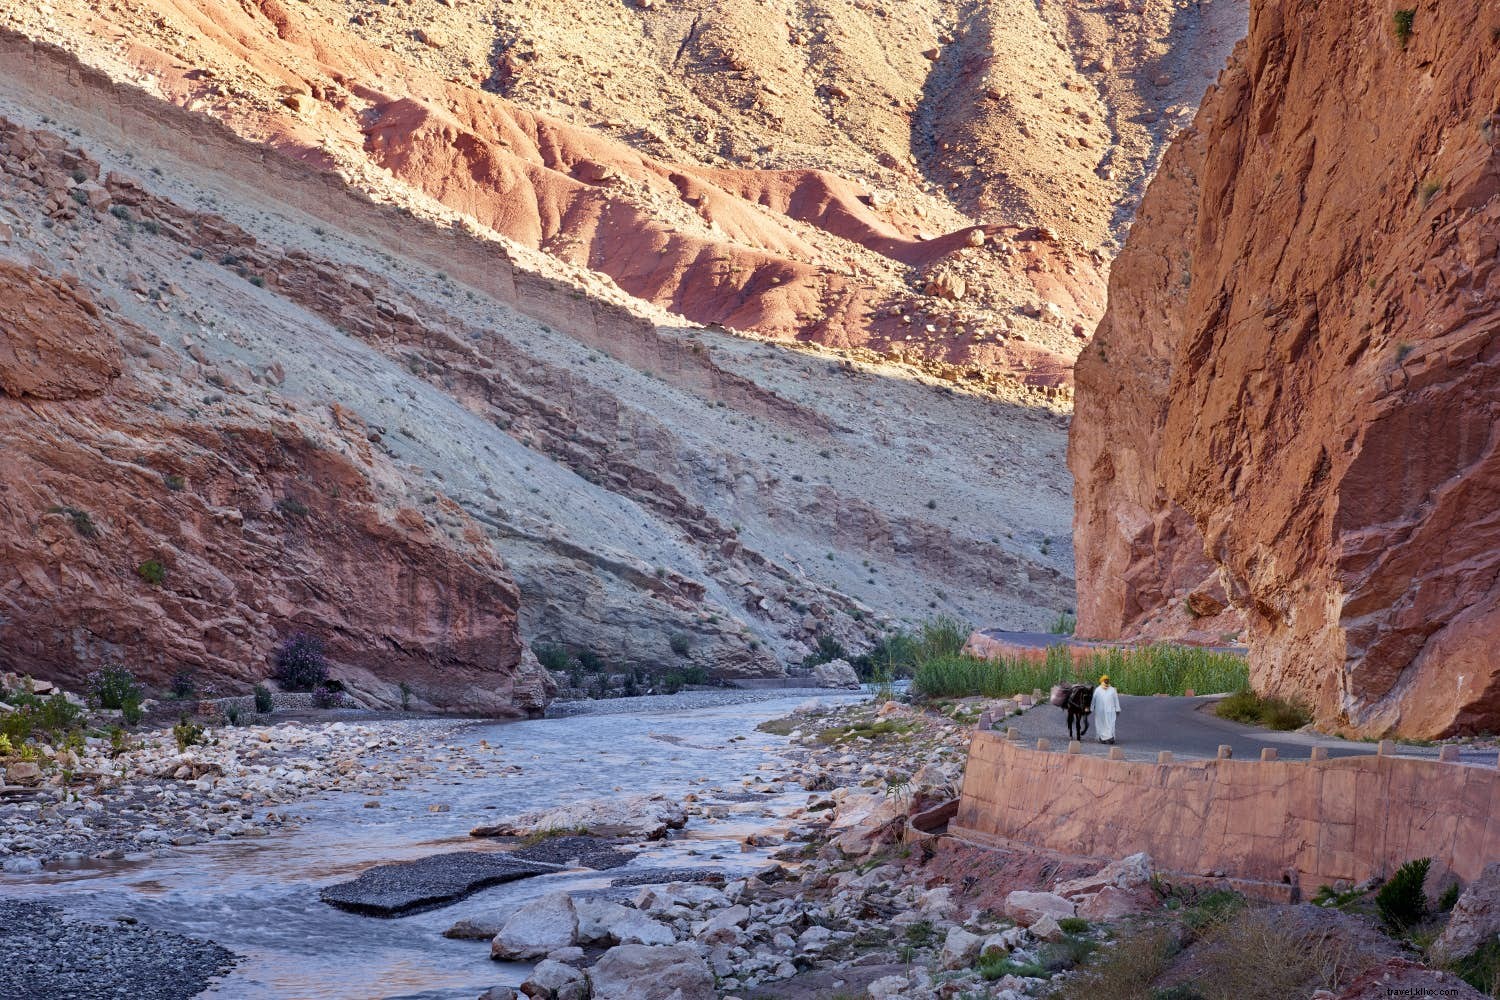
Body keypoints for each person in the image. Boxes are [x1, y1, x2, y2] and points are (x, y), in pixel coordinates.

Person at [1091, 675, 1121, 744]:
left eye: (1107, 680)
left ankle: (1110, 737)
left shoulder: (1112, 689)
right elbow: (1093, 700)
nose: (1106, 681)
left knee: (1111, 723)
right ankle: (1102, 738)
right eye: (1105, 680)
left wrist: (1117, 709)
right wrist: (1091, 708)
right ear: (1102, 681)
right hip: (1100, 711)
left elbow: (1116, 699)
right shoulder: (1098, 690)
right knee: (1101, 724)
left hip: (1110, 711)